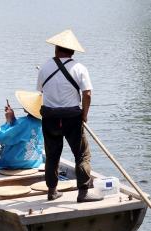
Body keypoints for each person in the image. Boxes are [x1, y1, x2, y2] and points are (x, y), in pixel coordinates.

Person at [36, 29, 103, 202]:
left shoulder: (44, 66)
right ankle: (83, 192)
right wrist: (85, 114)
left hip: (50, 118)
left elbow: (41, 91)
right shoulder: (80, 68)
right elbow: (87, 94)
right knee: (82, 155)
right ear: (72, 51)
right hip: (72, 118)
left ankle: (52, 191)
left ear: (56, 48)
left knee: (52, 154)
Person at [0, 91, 44, 171]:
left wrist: (8, 120)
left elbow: (0, 137)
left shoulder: (23, 122)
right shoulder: (41, 122)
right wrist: (13, 118)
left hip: (15, 162)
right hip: (34, 162)